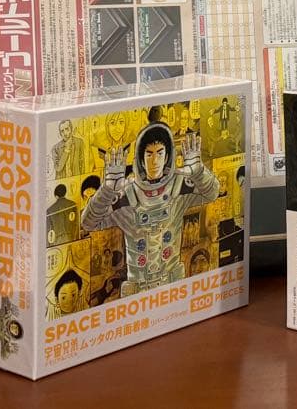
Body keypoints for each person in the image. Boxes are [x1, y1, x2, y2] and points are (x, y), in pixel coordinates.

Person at [82, 120, 219, 294]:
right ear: (141, 159)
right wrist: (107, 190)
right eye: (149, 154)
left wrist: (198, 172)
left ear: (167, 156)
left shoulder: (178, 187)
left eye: (160, 153)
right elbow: (88, 223)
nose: (155, 161)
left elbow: (212, 194)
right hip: (138, 292)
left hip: (172, 286)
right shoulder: (127, 194)